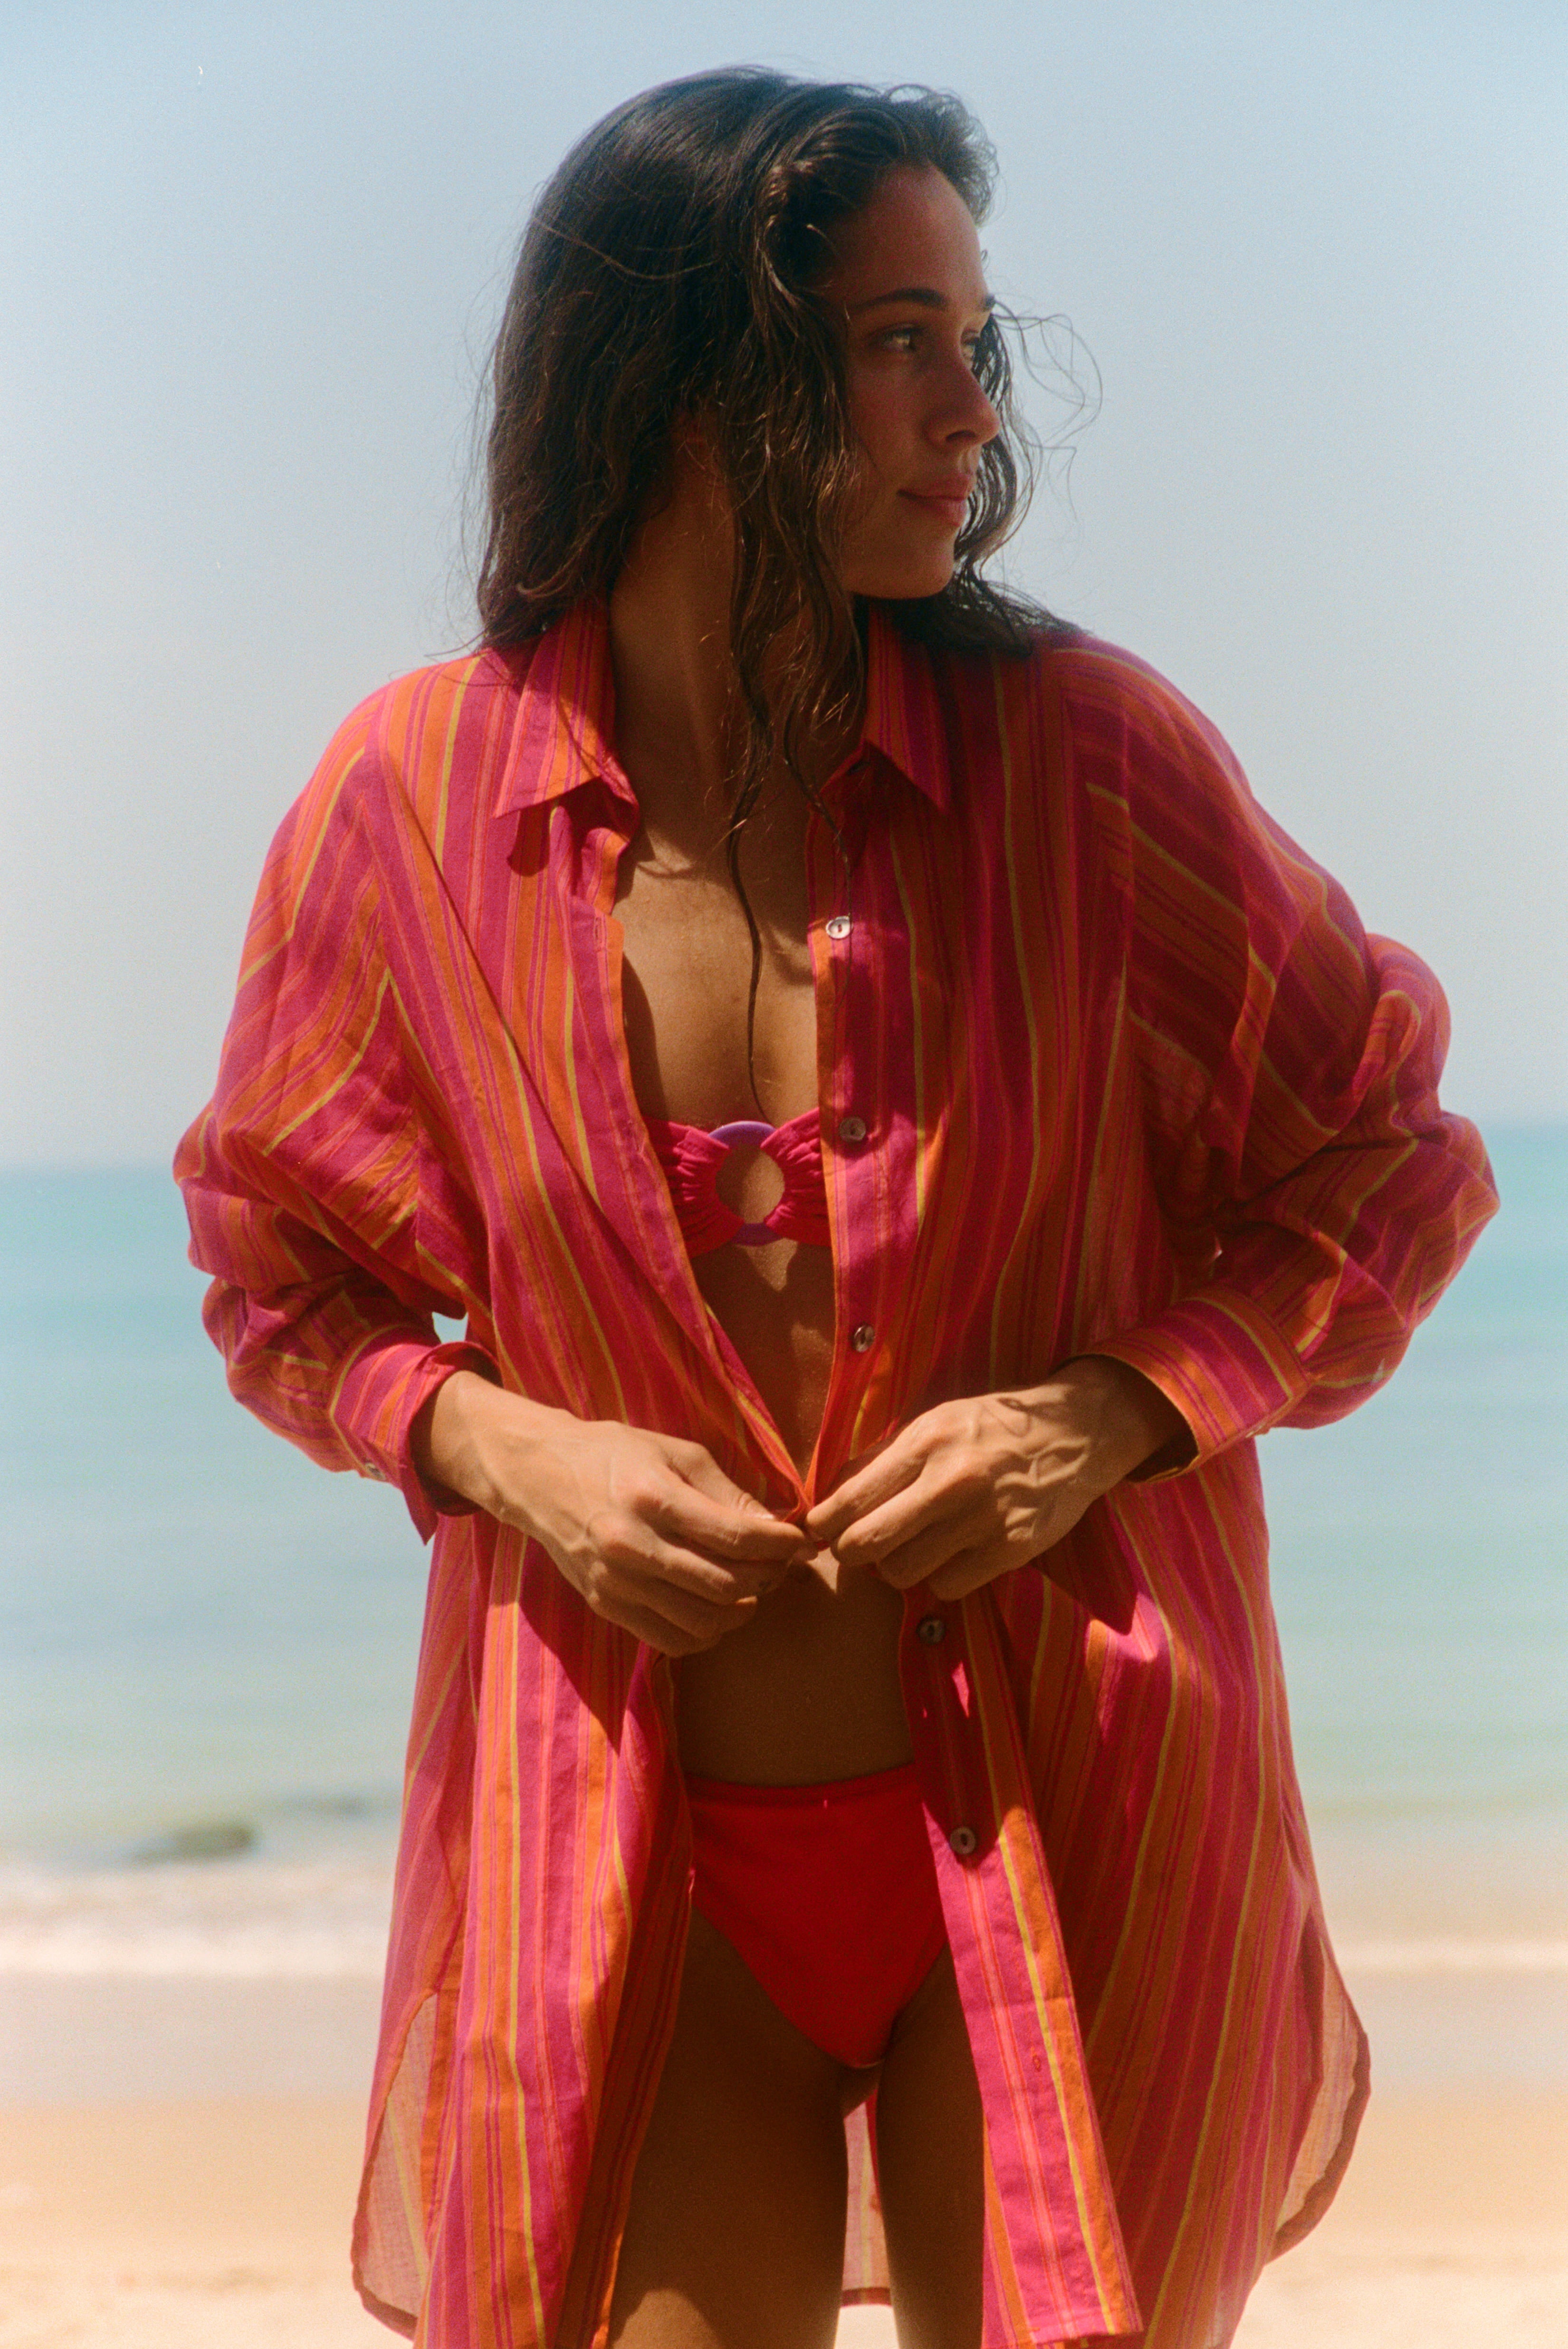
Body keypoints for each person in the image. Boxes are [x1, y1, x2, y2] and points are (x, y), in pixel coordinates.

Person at [175, 67, 1497, 2349]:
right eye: (903, 342)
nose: (975, 411)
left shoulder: (1092, 765)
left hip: (1076, 1813)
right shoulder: (409, 803)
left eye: (977, 342)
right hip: (634, 1858)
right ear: (688, 378)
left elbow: (1388, 1152)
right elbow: (278, 1273)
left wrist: (1109, 1414)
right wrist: (508, 1447)